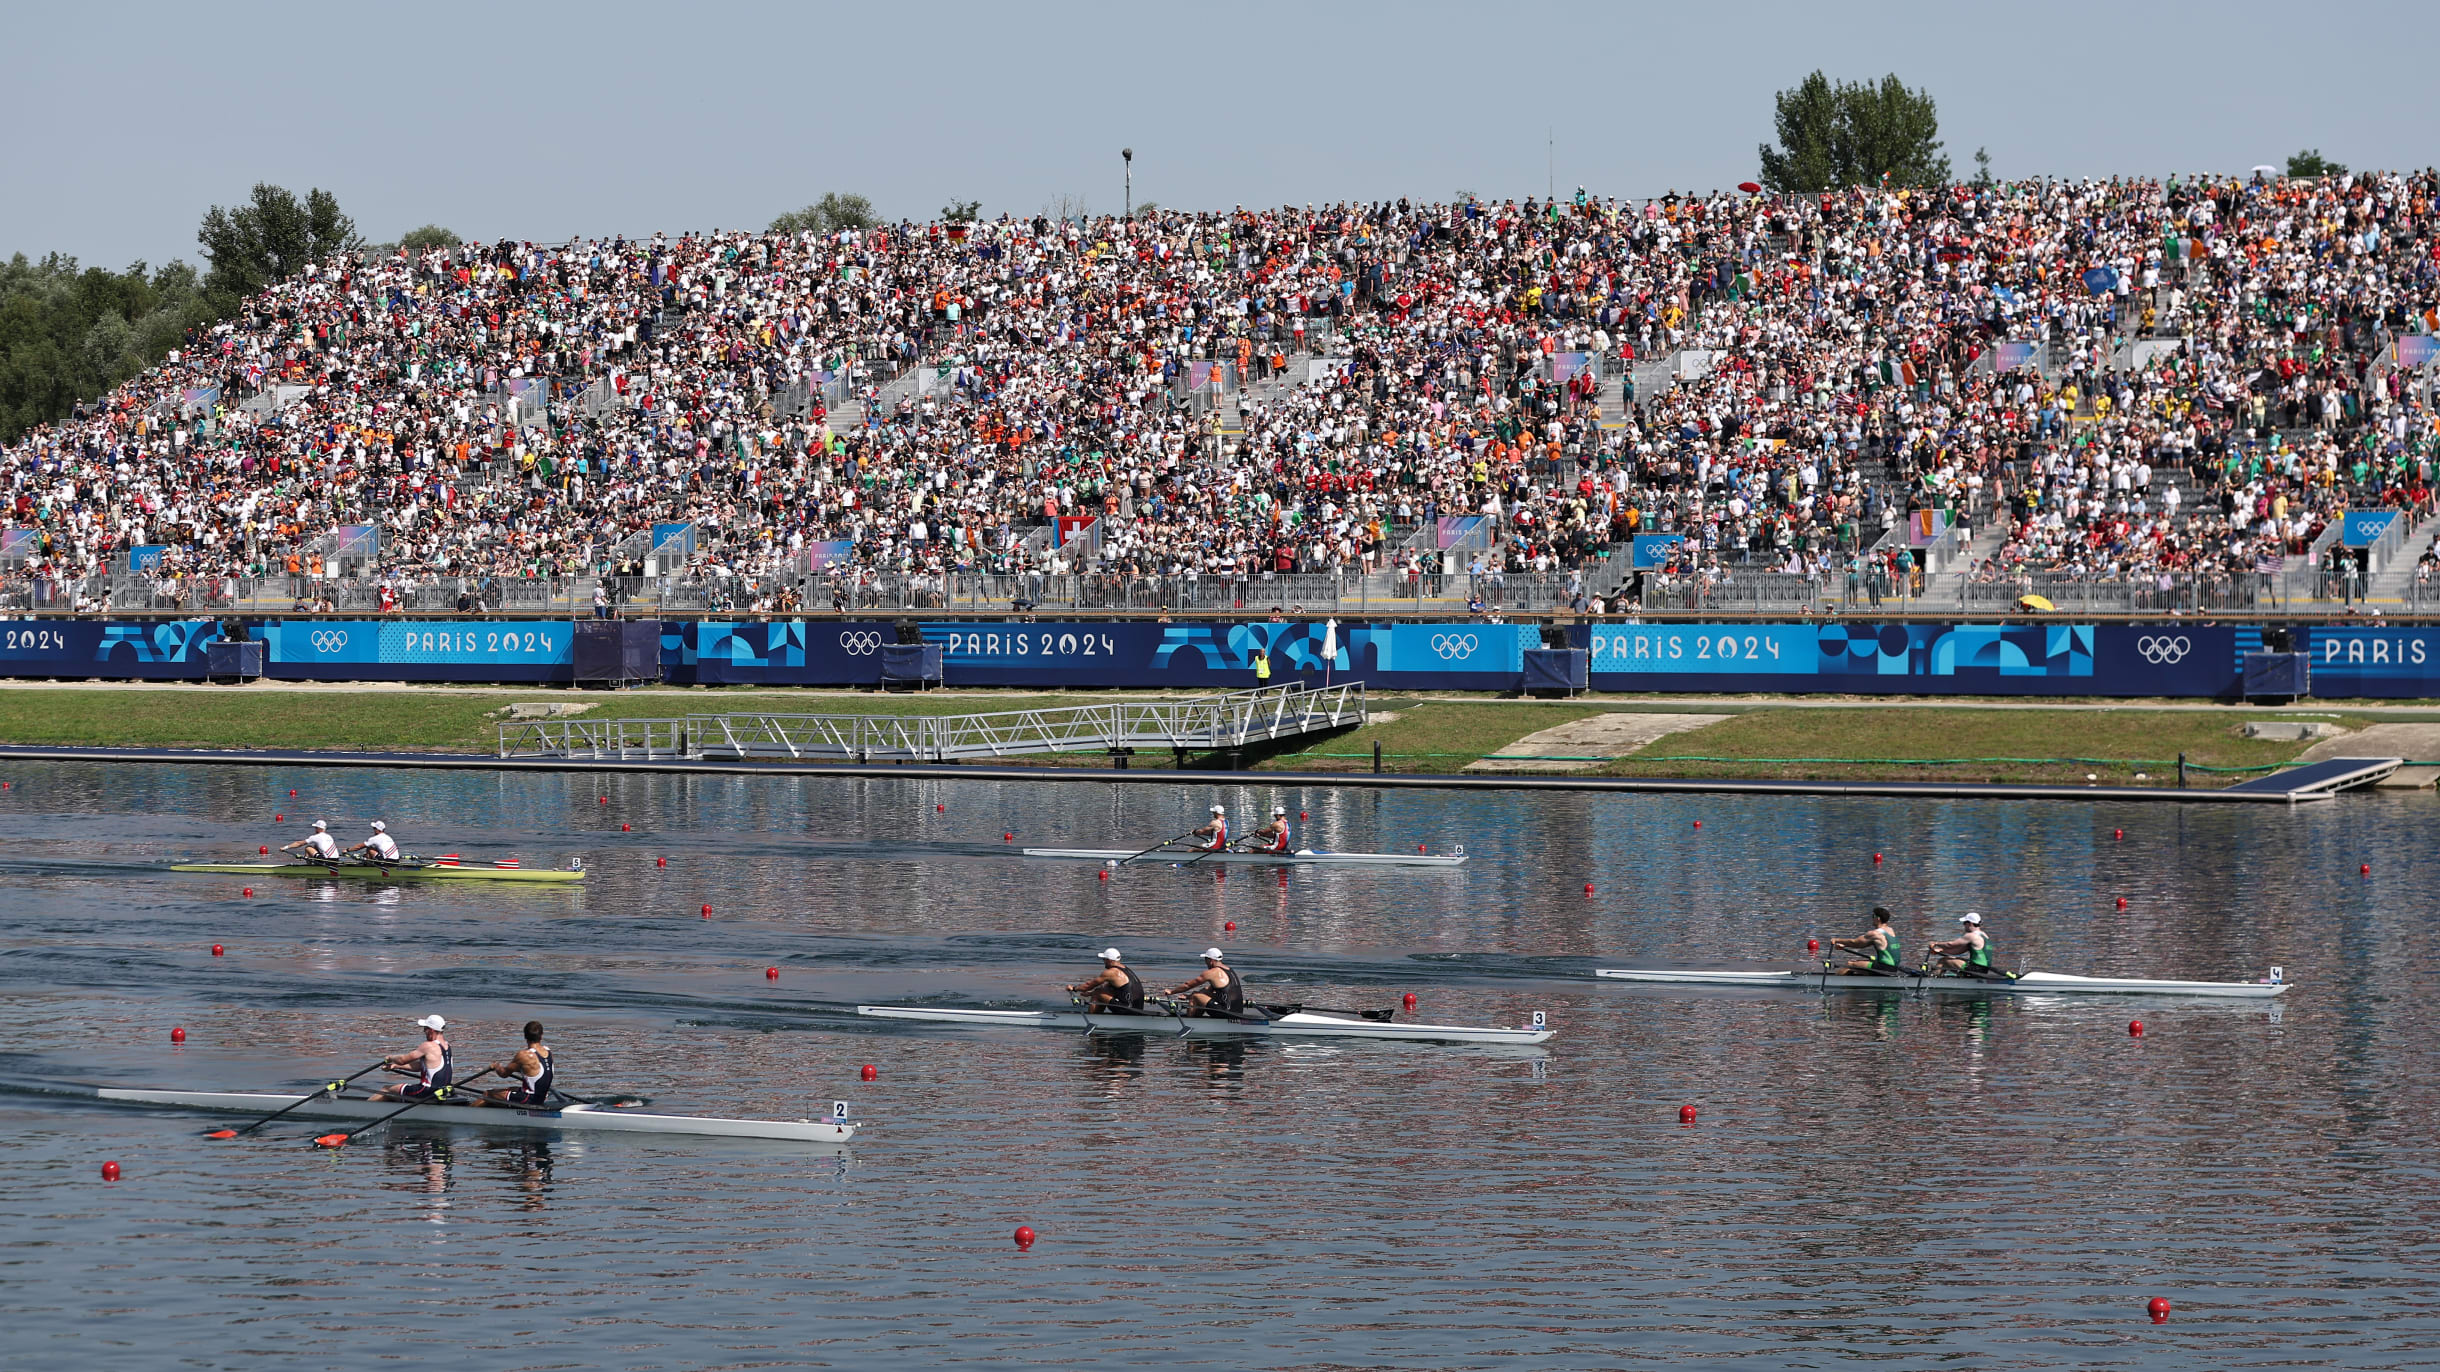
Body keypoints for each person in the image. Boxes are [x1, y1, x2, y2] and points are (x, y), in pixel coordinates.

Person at [368, 1015, 454, 1101]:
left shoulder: (428, 1046)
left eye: (425, 1029)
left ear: (431, 1030)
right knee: (397, 1093)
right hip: (445, 1091)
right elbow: (421, 1066)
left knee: (386, 1089)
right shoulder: (447, 1046)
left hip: (426, 1091)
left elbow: (402, 1060)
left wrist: (390, 1057)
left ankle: (365, 1109)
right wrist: (397, 1066)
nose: (424, 1031)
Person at [482, 1020, 556, 1105]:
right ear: (541, 1036)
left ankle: (469, 1114)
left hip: (529, 1099)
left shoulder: (524, 1055)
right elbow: (535, 1070)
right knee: (511, 1089)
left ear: (525, 1036)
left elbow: (504, 1074)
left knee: (487, 1094)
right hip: (542, 1098)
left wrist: (496, 1067)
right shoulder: (548, 1051)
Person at [1929, 912, 2006, 980]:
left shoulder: (1971, 936)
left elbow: (1950, 944)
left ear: (1970, 923)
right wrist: (1939, 951)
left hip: (1975, 970)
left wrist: (1935, 943)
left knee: (1943, 961)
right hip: (1984, 970)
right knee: (1950, 959)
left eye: (1964, 923)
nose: (1964, 925)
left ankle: (1931, 980)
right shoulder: (1985, 935)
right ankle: (1947, 978)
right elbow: (1959, 951)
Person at [1169, 948, 1246, 1015]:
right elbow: (1207, 990)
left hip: (1227, 1011)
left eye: (1205, 959)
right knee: (1198, 994)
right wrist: (1188, 996)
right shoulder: (1230, 970)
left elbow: (1188, 985)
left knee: (1195, 996)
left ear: (1211, 960)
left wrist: (1171, 992)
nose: (1205, 962)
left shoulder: (1213, 972)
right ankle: (1197, 1018)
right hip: (1238, 1011)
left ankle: (1190, 1022)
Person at [1831, 906, 1905, 976]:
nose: (1872, 919)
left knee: (1850, 964)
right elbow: (1864, 944)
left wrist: (1837, 940)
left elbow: (1855, 942)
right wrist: (1845, 945)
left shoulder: (1876, 933)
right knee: (1859, 965)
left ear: (1878, 918)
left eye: (1873, 916)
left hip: (1883, 968)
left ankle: (1834, 983)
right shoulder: (1891, 930)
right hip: (1894, 968)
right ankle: (1855, 985)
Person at [1066, 948, 1146, 1010]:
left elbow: (1088, 985)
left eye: (1104, 959)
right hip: (1138, 1007)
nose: (1103, 961)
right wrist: (1090, 993)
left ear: (1110, 960)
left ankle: (1094, 1018)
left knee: (1097, 993)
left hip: (1128, 1009)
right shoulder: (1125, 969)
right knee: (1099, 991)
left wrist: (1074, 988)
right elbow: (1108, 988)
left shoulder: (1111, 972)